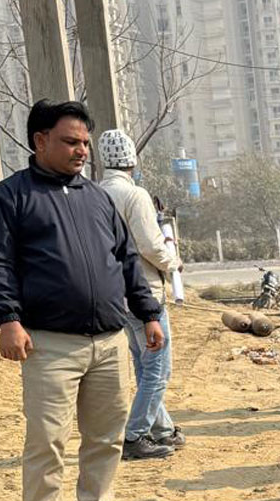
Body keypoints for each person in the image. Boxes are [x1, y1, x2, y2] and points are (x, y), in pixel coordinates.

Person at [0, 99, 160, 501]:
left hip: (109, 340)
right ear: (40, 141)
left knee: (106, 435)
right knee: (47, 438)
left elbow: (126, 260)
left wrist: (149, 312)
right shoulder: (8, 198)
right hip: (49, 343)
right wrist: (8, 319)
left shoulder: (97, 197)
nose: (82, 151)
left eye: (85, 143)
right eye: (70, 142)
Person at [96, 129, 184, 460]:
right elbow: (149, 245)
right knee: (158, 368)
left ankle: (162, 429)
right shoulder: (134, 196)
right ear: (132, 159)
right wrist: (173, 263)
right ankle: (135, 435)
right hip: (144, 293)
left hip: (114, 295)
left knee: (144, 365)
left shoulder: (94, 194)